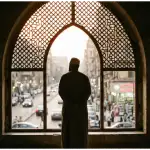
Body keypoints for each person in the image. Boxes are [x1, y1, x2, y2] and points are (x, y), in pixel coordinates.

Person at [59, 57, 91, 149]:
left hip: (68, 110)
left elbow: (61, 92)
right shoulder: (84, 78)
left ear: (70, 66)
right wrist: (78, 103)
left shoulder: (64, 78)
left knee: (68, 133)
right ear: (78, 66)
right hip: (81, 110)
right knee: (80, 133)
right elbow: (87, 93)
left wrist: (70, 102)